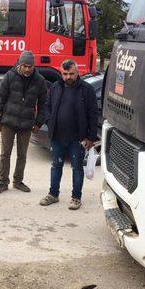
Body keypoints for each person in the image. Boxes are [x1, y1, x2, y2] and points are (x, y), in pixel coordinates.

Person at [39, 59, 97, 210]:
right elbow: (47, 106)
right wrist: (49, 120)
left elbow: (93, 114)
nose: (67, 77)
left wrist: (91, 137)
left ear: (77, 72)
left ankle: (76, 198)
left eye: (71, 73)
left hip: (78, 138)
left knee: (77, 168)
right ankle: (53, 194)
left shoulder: (87, 90)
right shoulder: (56, 87)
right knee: (55, 165)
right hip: (57, 136)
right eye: (65, 74)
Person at [0, 50, 47, 194]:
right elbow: (0, 98)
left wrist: (38, 123)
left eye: (30, 66)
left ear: (34, 66)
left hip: (27, 124)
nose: (28, 69)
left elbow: (44, 104)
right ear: (19, 64)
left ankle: (18, 181)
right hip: (8, 122)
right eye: (25, 66)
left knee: (22, 155)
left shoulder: (39, 80)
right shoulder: (10, 76)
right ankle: (3, 182)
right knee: (5, 154)